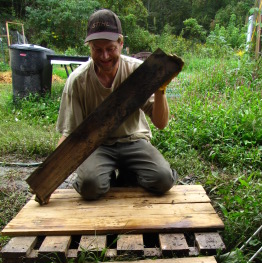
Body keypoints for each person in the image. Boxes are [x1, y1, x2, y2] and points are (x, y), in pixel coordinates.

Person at [56, 8, 178, 200]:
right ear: (89, 47)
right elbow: (69, 135)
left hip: (134, 141)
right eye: (97, 49)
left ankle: (129, 173)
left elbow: (161, 123)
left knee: (163, 180)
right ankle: (108, 175)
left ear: (121, 43)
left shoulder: (138, 72)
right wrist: (48, 182)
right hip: (97, 146)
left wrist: (160, 90)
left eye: (110, 48)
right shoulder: (77, 80)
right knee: (90, 186)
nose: (104, 56)